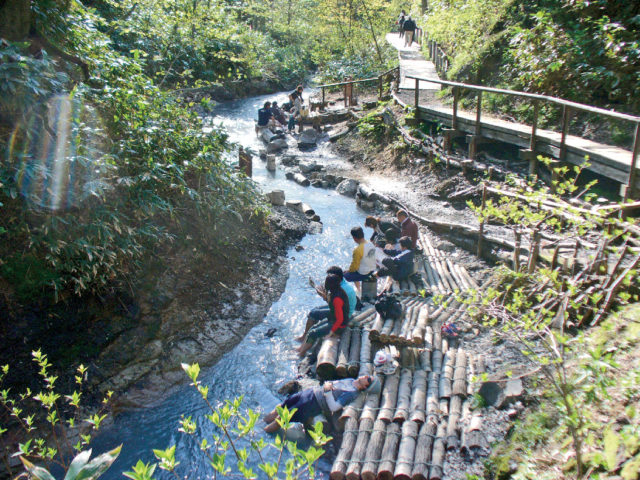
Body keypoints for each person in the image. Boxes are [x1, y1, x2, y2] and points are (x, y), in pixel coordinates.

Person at [263, 375, 380, 433]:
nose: (366, 376)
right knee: (280, 407)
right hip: (310, 392)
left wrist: (328, 391)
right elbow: (330, 383)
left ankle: (262, 434)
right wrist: (327, 385)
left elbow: (333, 407)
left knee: (281, 418)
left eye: (368, 379)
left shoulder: (352, 394)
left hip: (313, 403)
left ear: (365, 387)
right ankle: (259, 425)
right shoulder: (350, 380)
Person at [296, 266, 358, 342]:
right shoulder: (341, 284)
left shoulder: (341, 290)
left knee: (313, 313)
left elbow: (335, 306)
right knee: (316, 310)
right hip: (344, 310)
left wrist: (324, 296)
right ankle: (307, 336)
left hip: (344, 314)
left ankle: (305, 337)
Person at [296, 273, 350, 356]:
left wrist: (331, 332)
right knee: (312, 328)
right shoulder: (336, 292)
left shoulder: (337, 298)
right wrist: (325, 297)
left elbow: (340, 319)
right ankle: (300, 349)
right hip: (333, 317)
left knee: (313, 333)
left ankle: (301, 354)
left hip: (339, 325)